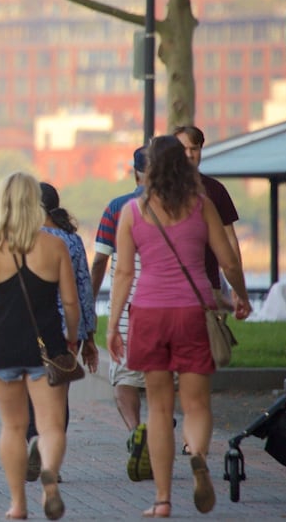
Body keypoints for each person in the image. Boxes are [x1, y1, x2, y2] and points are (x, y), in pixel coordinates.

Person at [107, 135, 251, 518]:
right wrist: (241, 295)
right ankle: (199, 457)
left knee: (157, 407)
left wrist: (111, 326)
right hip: (193, 311)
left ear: (148, 169)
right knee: (196, 403)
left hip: (149, 312)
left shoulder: (132, 212)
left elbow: (122, 274)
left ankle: (163, 499)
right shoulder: (201, 206)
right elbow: (228, 261)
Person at [0, 172, 79, 521]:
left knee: (12, 426)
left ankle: (17, 505)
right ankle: (50, 480)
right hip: (46, 346)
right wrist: (72, 338)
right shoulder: (55, 245)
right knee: (51, 426)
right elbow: (70, 303)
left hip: (2, 344)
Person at [23, 182, 98, 481]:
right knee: (59, 388)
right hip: (68, 327)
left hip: (32, 323)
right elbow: (83, 290)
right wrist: (88, 336)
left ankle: (33, 440)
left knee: (33, 386)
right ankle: (51, 459)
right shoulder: (72, 240)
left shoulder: (27, 239)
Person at [90, 147, 152, 479]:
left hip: (130, 309)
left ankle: (134, 430)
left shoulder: (118, 207)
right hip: (177, 307)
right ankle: (157, 440)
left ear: (135, 172)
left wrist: (91, 303)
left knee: (125, 378)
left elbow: (101, 260)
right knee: (164, 383)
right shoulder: (189, 206)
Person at [173, 126, 243, 312]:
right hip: (169, 288)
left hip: (207, 285)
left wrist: (237, 286)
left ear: (201, 151)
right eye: (182, 149)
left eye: (194, 148)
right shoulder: (161, 193)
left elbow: (230, 240)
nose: (189, 154)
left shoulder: (216, 191)